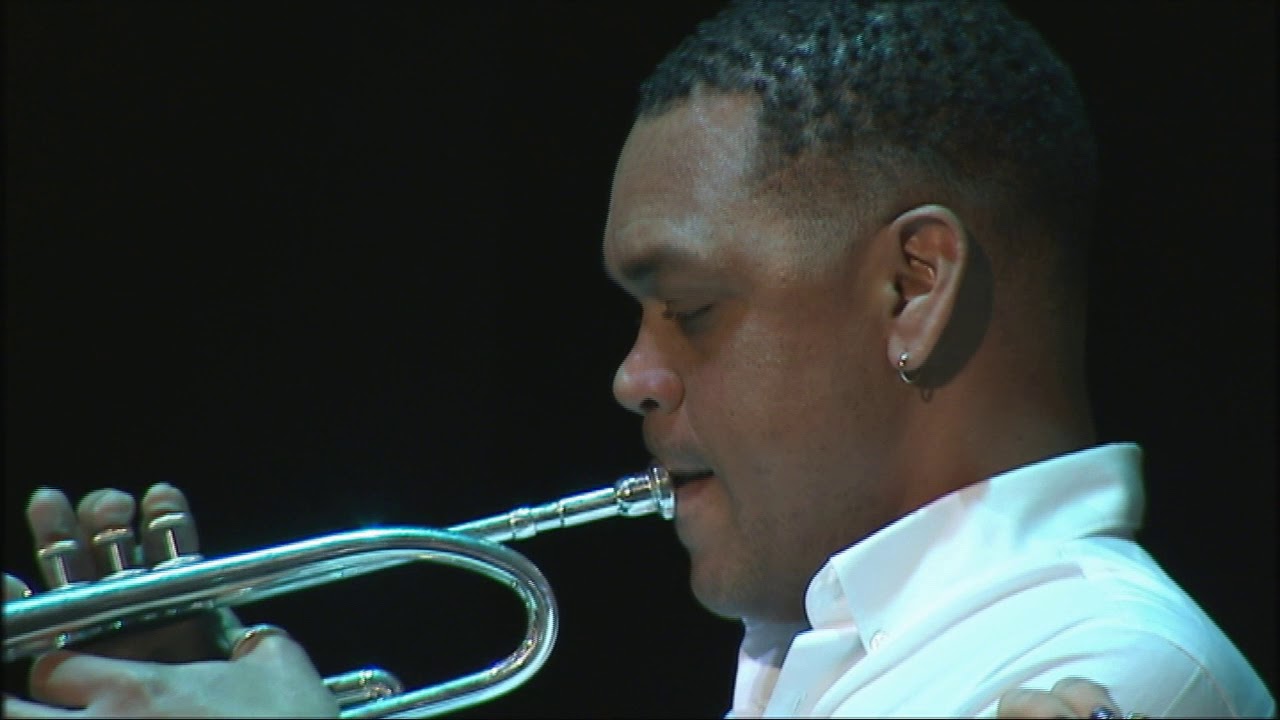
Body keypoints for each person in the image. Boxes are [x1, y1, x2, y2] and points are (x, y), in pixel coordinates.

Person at [4, 0, 1274, 717]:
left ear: (912, 290)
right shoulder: (824, 648)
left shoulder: (1112, 674)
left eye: (692, 310)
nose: (632, 379)